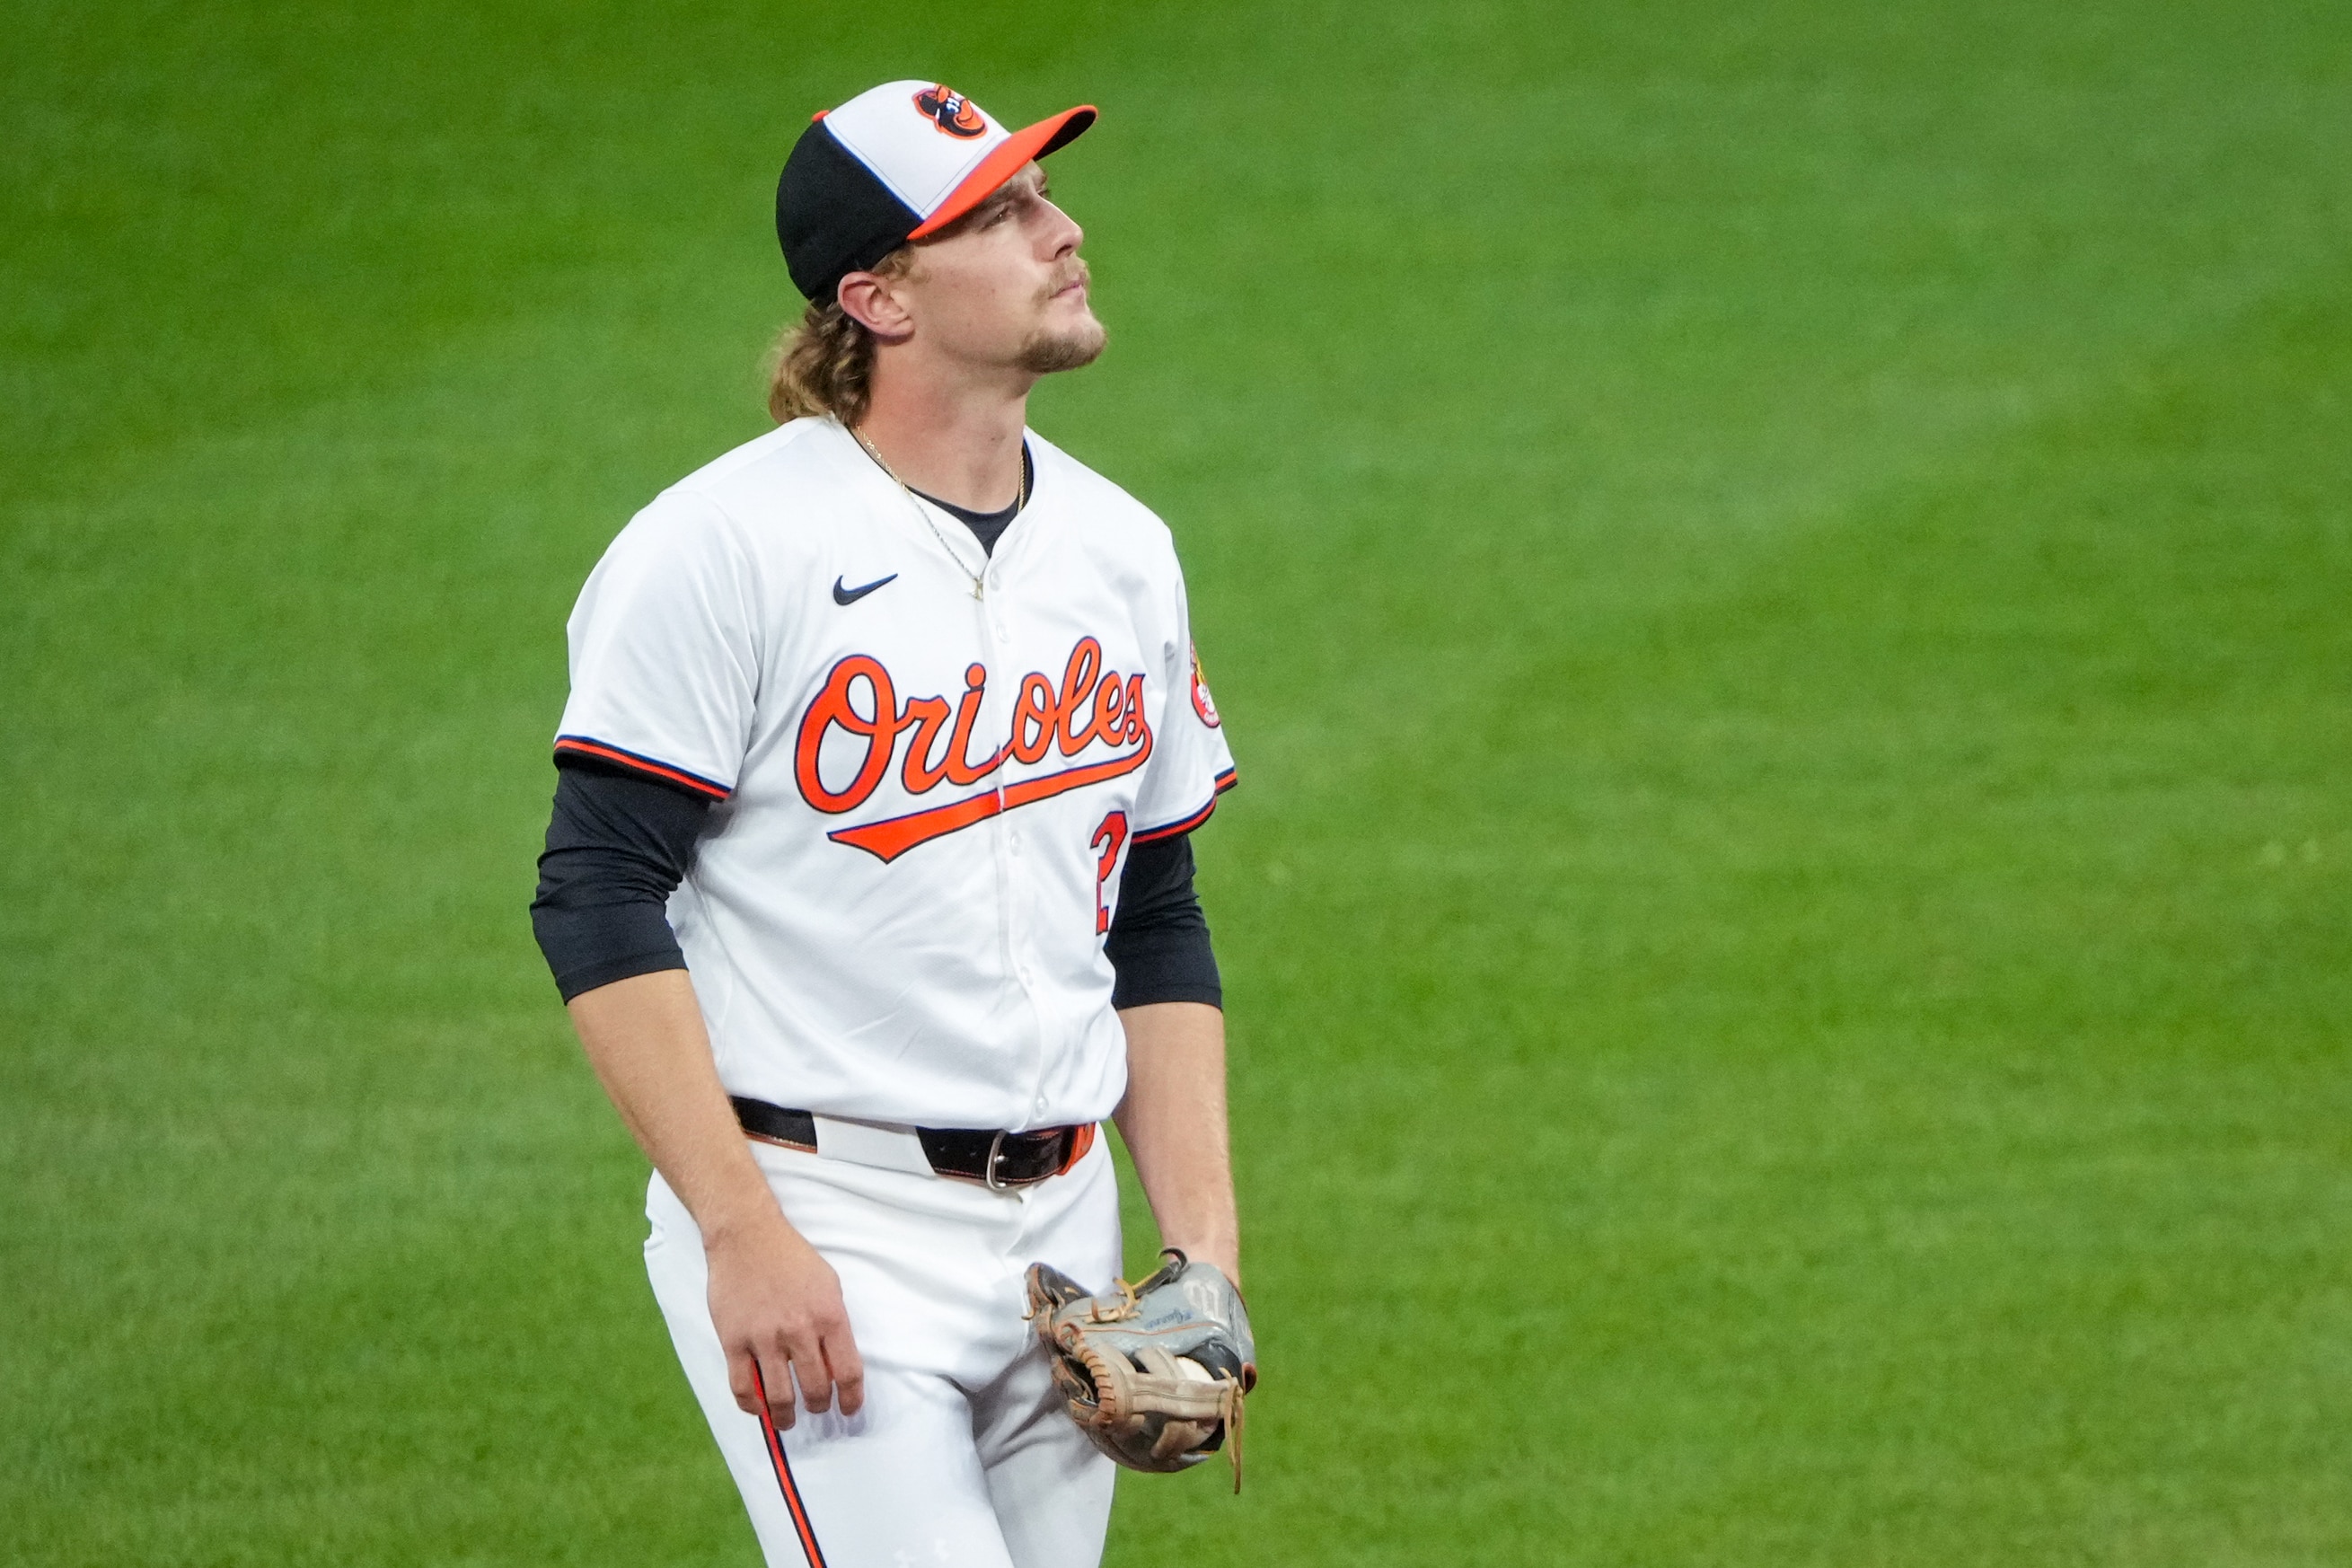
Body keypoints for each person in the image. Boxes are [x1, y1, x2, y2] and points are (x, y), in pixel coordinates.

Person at [529, 80, 1242, 1568]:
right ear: (880, 298)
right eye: (1001, 214)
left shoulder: (1122, 550)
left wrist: (1205, 1257)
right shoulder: (723, 548)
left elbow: (1154, 913)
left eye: (1044, 195)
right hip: (823, 1222)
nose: (1063, 231)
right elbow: (595, 893)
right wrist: (739, 1228)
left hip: (1067, 1240)